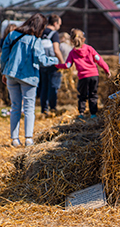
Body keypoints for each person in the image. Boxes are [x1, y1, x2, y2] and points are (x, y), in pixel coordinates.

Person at [0, 14, 59, 147]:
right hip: (29, 77)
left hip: (11, 74)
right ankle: (28, 139)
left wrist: (4, 72)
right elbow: (42, 60)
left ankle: (14, 139)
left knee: (15, 106)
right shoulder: (35, 40)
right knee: (29, 107)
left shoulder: (12, 35)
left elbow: (4, 56)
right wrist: (56, 60)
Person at [56, 29, 111, 118]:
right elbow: (98, 59)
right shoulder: (89, 48)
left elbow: (68, 65)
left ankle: (81, 113)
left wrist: (57, 65)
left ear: (71, 41)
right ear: (83, 39)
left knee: (82, 95)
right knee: (93, 94)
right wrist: (106, 70)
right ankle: (93, 114)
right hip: (94, 75)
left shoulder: (72, 52)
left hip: (83, 77)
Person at [39, 14, 64, 116]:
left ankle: (44, 109)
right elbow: (56, 50)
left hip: (41, 63)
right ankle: (52, 108)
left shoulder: (40, 32)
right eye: (59, 24)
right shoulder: (54, 34)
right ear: (55, 23)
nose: (59, 26)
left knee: (44, 86)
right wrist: (62, 62)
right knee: (53, 86)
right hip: (52, 63)